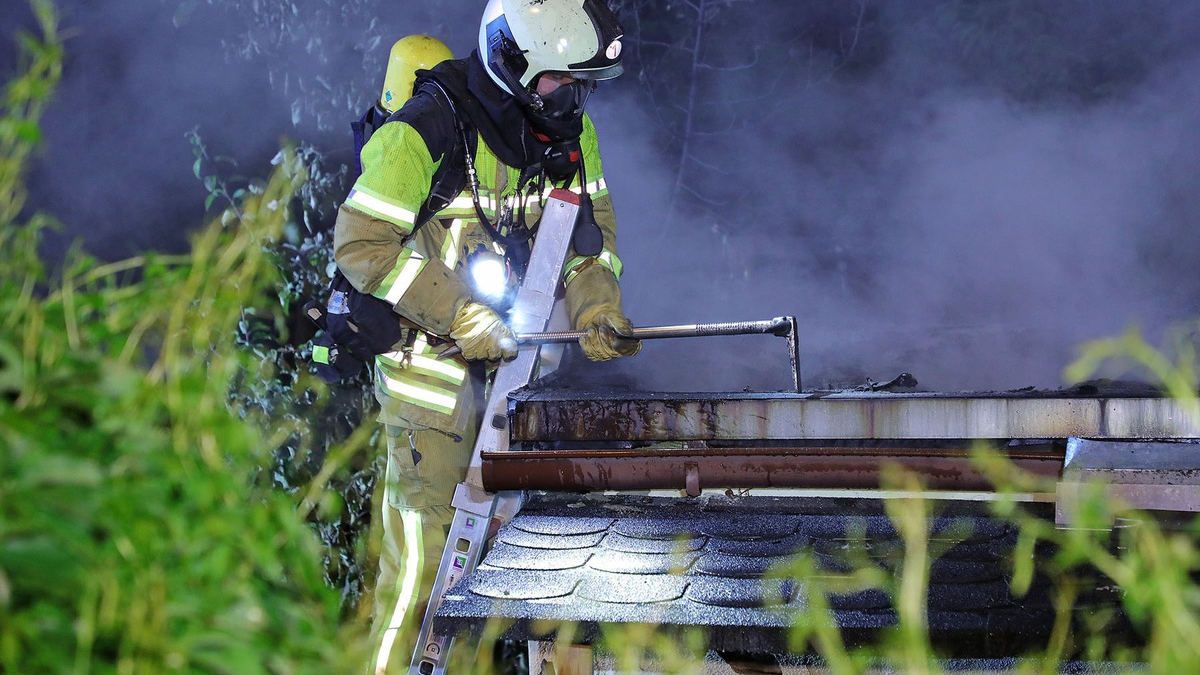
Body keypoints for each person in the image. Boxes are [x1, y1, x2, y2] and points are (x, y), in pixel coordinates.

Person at [331, 1, 639, 672]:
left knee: (486, 593)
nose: (573, 98)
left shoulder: (568, 132)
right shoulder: (426, 130)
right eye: (560, 81)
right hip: (432, 393)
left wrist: (595, 307)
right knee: (424, 585)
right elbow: (359, 243)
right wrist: (460, 313)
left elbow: (591, 242)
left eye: (580, 84)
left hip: (517, 392)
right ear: (513, 62)